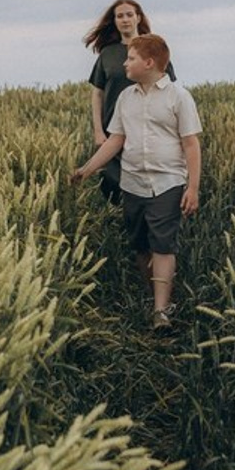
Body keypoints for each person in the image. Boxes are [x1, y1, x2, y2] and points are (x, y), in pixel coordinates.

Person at [70, 34, 201, 330]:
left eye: (130, 58)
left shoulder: (179, 97)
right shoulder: (126, 98)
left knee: (163, 244)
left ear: (149, 62)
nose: (125, 63)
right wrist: (87, 169)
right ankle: (158, 294)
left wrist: (192, 188)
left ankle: (161, 311)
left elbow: (191, 145)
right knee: (141, 245)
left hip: (168, 181)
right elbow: (116, 140)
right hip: (132, 183)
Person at [82, 0, 175, 203]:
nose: (125, 20)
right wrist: (98, 130)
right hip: (113, 131)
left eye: (129, 14)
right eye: (119, 16)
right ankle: (119, 224)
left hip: (149, 128)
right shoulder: (108, 53)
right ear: (114, 21)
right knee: (112, 182)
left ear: (138, 18)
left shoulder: (154, 49)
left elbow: (169, 88)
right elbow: (98, 93)